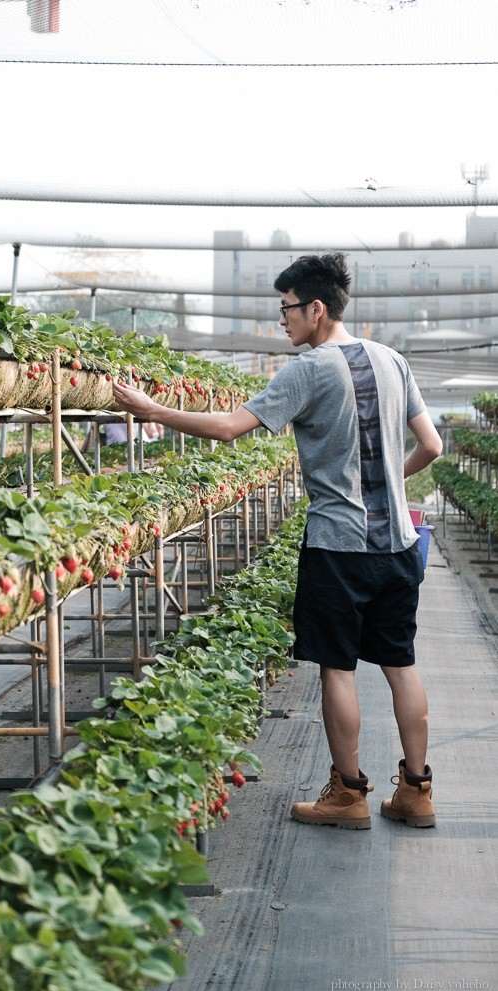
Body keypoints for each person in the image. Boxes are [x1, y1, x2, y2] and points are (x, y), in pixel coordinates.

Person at [112, 252, 443, 831]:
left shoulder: (309, 370)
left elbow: (227, 428)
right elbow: (433, 447)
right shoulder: (394, 361)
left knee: (337, 669)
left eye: (287, 309)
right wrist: (386, 484)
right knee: (400, 663)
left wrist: (152, 409)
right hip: (397, 545)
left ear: (316, 309)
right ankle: (417, 792)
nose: (282, 321)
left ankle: (349, 795)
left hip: (339, 548)